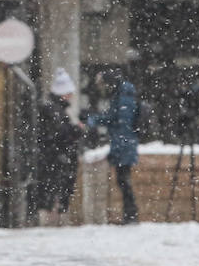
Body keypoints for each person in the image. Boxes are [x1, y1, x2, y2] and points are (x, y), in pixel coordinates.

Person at [89, 68, 141, 224]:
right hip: (124, 143)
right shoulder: (122, 94)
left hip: (124, 144)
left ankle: (131, 214)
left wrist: (117, 149)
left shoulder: (123, 96)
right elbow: (114, 119)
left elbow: (121, 124)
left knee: (124, 180)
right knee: (123, 180)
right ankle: (130, 214)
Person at [35, 68, 84, 225]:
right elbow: (58, 134)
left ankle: (53, 215)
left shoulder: (55, 109)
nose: (71, 96)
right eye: (68, 92)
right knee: (56, 188)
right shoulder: (54, 110)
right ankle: (54, 217)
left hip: (56, 157)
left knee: (54, 188)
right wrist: (76, 130)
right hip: (57, 158)